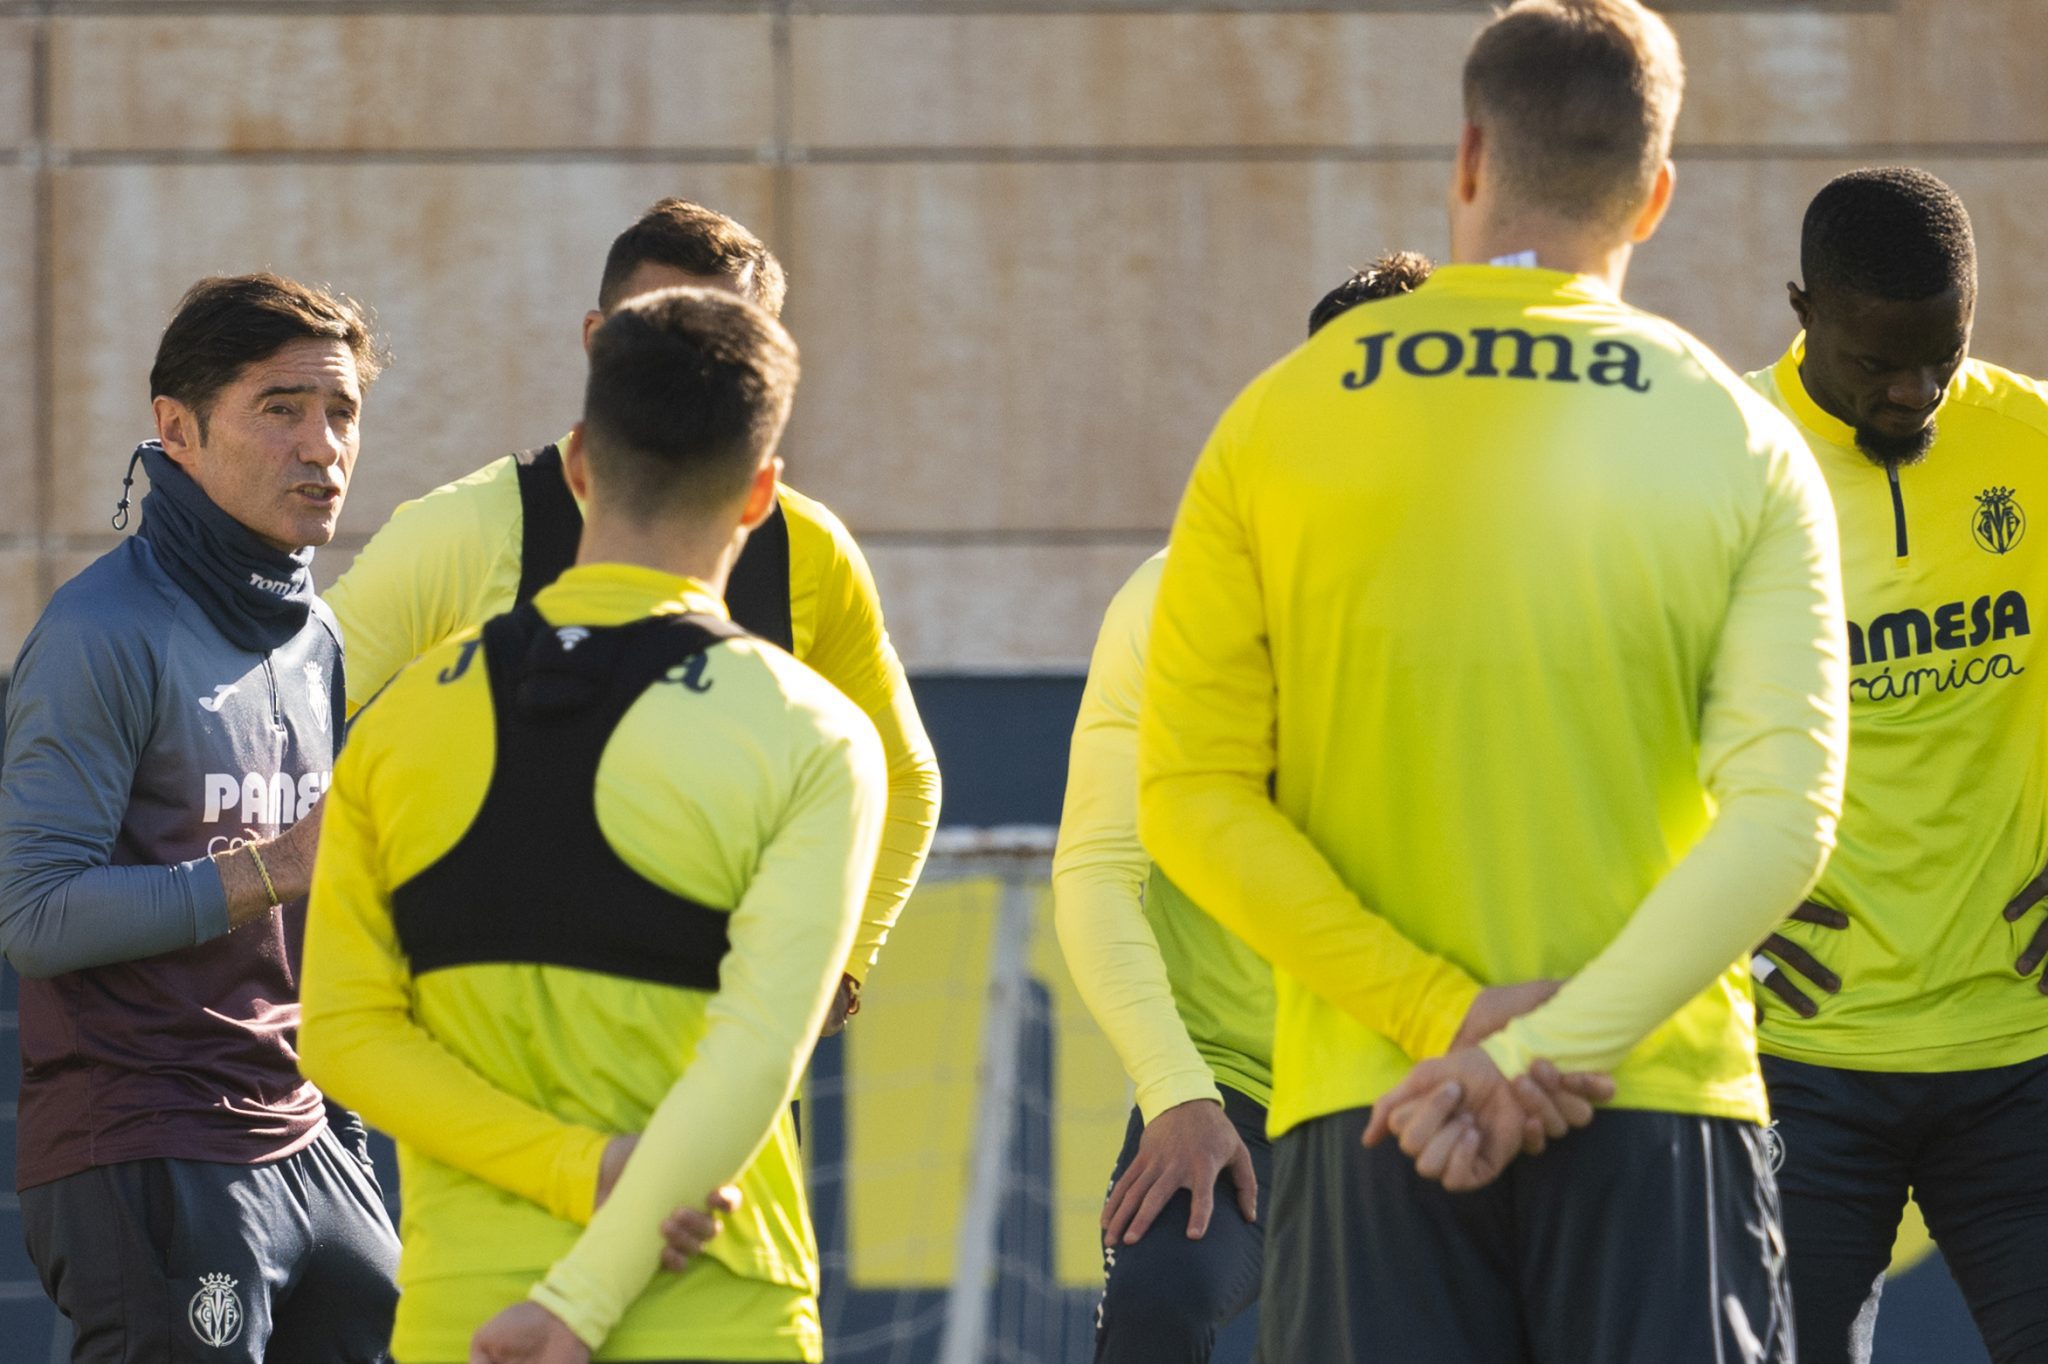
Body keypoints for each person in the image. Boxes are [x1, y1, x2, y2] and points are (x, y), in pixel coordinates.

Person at [1136, 2, 1851, 1360]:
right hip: (1654, 1097)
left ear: (1467, 154)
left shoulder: (1277, 420)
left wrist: (1446, 1022)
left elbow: (1188, 796)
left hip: (1372, 1103)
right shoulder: (1739, 437)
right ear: (1655, 193)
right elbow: (1785, 819)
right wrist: (1539, 1050)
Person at [298, 285, 885, 1364]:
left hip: (463, 1316)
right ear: (761, 495)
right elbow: (757, 1050)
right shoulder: (813, 733)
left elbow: (340, 1035)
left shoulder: (403, 721)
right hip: (717, 1309)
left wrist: (574, 1171)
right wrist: (578, 1302)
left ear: (577, 464)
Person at [1060, 250, 1577, 1362]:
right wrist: (1176, 1094)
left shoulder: (1533, 585)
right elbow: (1099, 872)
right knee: (1160, 1301)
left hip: (1442, 1074)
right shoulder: (1176, 598)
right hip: (1234, 1087)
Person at [324, 198, 937, 1033]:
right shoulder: (465, 529)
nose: (684, 369)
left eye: (722, 342)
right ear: (594, 340)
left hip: (714, 1069)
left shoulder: (808, 547)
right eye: (653, 333)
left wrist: (841, 966)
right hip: (490, 1066)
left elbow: (904, 774)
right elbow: (283, 729)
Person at [0, 273, 400, 1360]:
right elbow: (34, 915)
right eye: (281, 408)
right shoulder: (100, 629)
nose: (323, 446)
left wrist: (347, 1134)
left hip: (310, 1140)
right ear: (176, 429)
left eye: (342, 411)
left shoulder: (316, 635)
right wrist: (274, 865)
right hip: (148, 1136)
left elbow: (309, 919)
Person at [1743, 166, 2048, 1364]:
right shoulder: (1725, 461)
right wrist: (1716, 916)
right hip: (1803, 1060)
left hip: (2020, 1049)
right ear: (1802, 309)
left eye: (1942, 356)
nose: (1913, 391)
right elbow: (1616, 724)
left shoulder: (2031, 442)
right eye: (1878, 362)